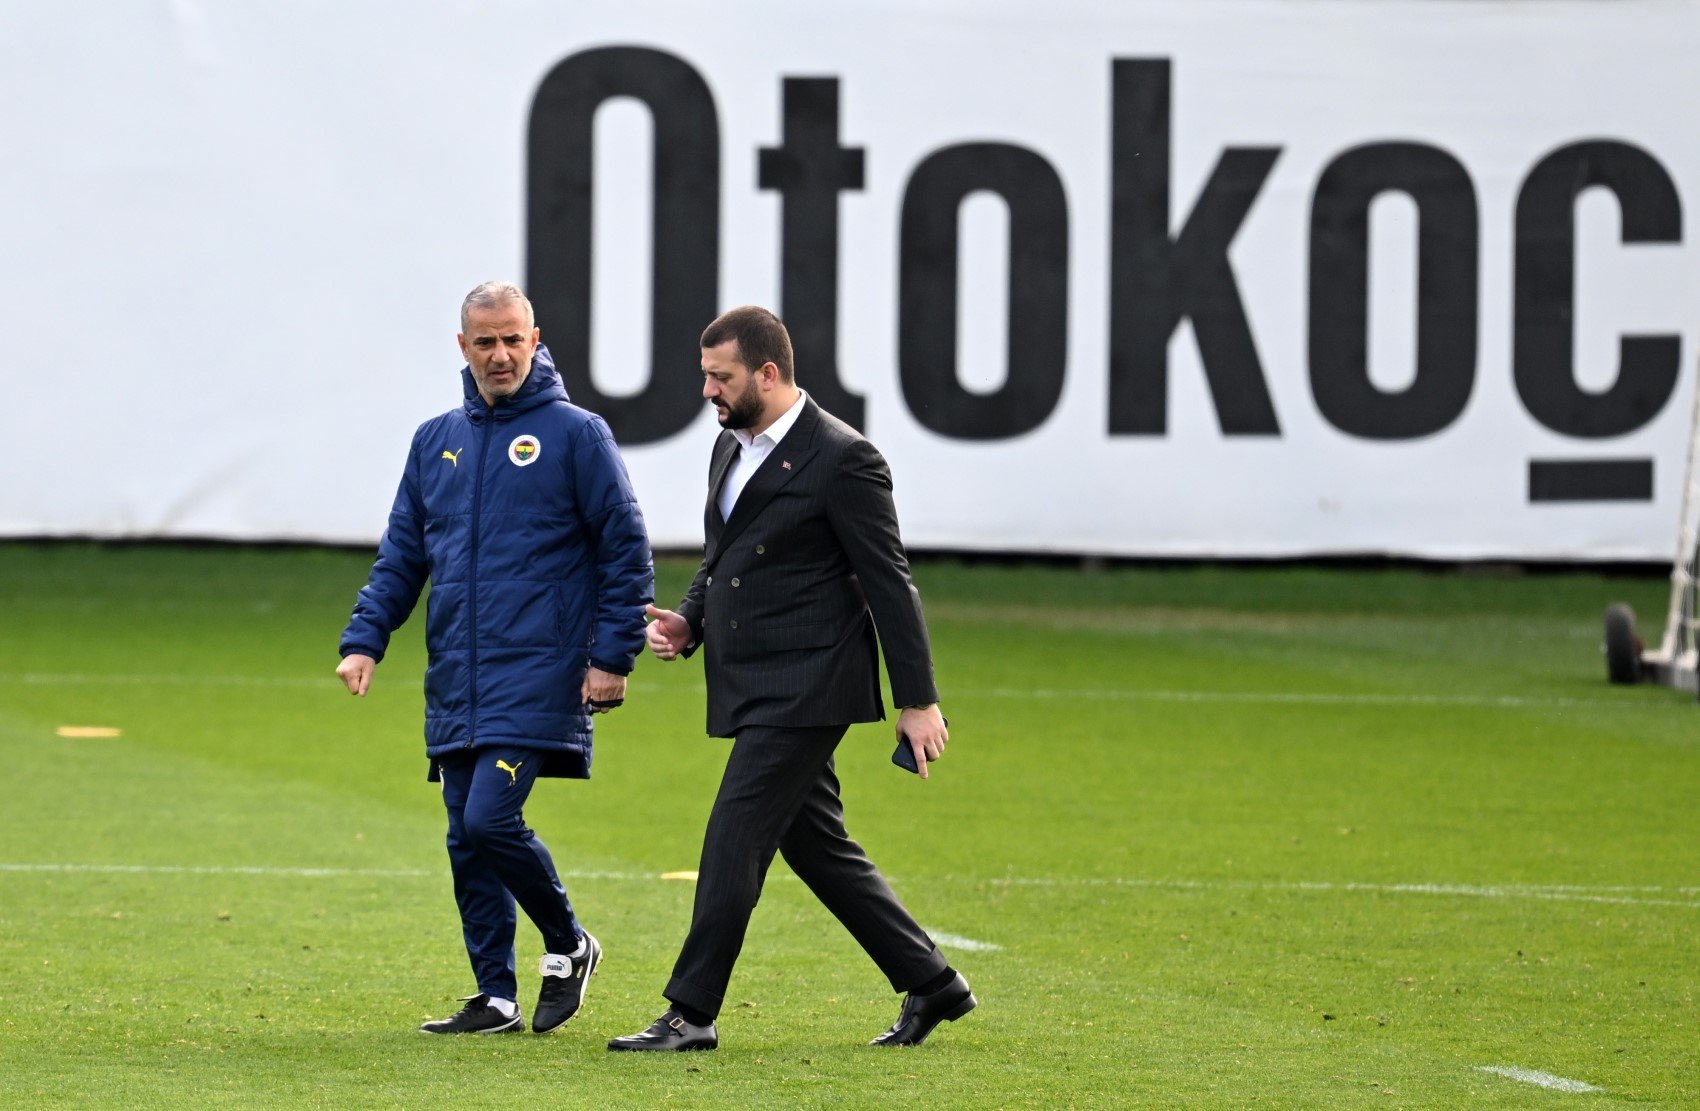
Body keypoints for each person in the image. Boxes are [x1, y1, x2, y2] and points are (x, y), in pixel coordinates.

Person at [607, 306, 974, 1053]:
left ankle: (691, 1012)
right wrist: (689, 620)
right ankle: (933, 982)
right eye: (706, 374)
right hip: (752, 679)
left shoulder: (845, 458)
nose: (708, 390)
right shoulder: (729, 447)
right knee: (816, 845)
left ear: (768, 374)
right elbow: (724, 558)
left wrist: (918, 698)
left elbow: (889, 583)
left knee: (734, 834)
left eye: (722, 376)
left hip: (811, 684)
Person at [336, 281, 653, 1036]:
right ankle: (495, 996)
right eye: (487, 342)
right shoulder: (434, 440)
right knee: (463, 837)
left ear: (535, 339)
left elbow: (625, 547)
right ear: (463, 347)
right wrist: (365, 639)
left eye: (514, 339)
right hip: (459, 674)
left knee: (489, 819)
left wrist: (612, 656)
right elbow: (403, 556)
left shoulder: (578, 434)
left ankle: (570, 943)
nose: (502, 354)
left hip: (540, 671)